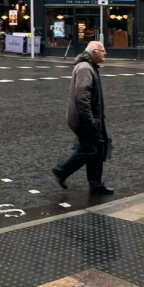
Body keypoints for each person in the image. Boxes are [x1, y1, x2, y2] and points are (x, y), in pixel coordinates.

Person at [52, 40, 114, 195]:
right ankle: (61, 170)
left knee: (96, 148)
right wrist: (90, 122)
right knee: (90, 148)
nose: (105, 53)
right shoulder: (85, 68)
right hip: (84, 119)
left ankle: (95, 184)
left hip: (89, 118)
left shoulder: (89, 66)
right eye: (102, 50)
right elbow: (82, 98)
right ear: (94, 52)